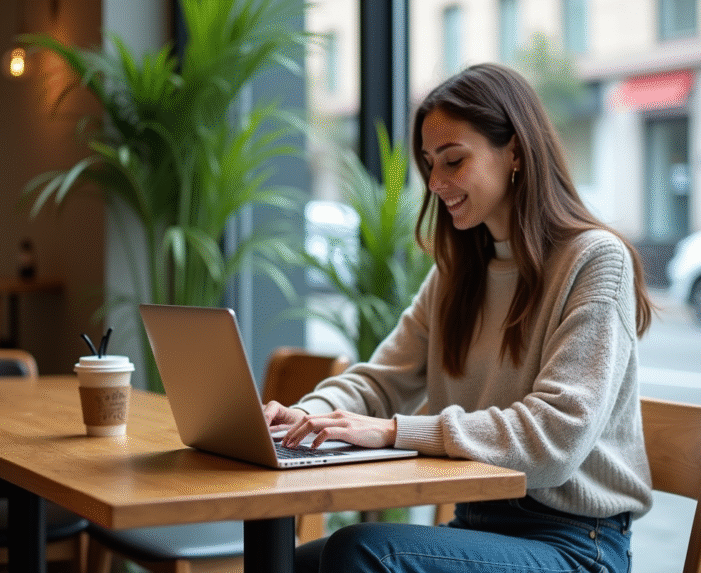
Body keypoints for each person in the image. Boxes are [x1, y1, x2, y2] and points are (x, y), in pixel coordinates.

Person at [263, 62, 655, 573]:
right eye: (429, 163)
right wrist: (308, 419)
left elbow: (556, 440)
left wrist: (392, 432)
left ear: (514, 150)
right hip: (480, 527)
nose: (436, 182)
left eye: (453, 160)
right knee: (292, 564)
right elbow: (381, 383)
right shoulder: (458, 271)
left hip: (578, 545)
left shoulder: (595, 259)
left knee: (357, 552)